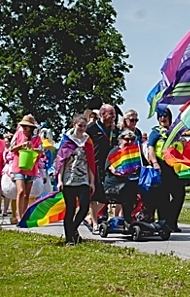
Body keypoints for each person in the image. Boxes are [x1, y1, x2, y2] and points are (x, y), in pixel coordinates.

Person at [55, 114, 96, 246]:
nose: (82, 128)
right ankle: (69, 239)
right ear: (74, 125)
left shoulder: (87, 142)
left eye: (84, 126)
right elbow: (61, 162)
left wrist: (92, 181)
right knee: (70, 209)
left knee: (84, 207)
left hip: (83, 179)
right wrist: (60, 180)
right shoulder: (67, 142)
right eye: (79, 126)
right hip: (69, 180)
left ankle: (72, 229)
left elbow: (90, 163)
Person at [147, 107, 186, 232]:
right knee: (163, 196)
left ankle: (172, 221)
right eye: (160, 116)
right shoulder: (156, 132)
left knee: (179, 194)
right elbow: (150, 148)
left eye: (165, 116)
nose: (163, 118)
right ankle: (164, 223)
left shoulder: (175, 132)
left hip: (175, 167)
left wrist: (183, 143)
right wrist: (154, 163)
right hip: (161, 165)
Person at [85, 104, 118, 233]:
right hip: (94, 165)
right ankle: (94, 223)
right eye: (111, 114)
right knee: (94, 195)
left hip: (108, 166)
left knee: (107, 196)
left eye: (114, 115)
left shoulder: (114, 130)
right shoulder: (91, 128)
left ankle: (89, 217)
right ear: (103, 114)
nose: (113, 117)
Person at [9, 114, 43, 223]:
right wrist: (22, 145)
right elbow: (12, 148)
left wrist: (33, 148)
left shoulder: (37, 138)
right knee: (21, 191)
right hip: (18, 166)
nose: (24, 127)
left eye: (26, 126)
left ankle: (24, 216)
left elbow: (41, 150)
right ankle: (19, 216)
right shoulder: (18, 134)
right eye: (23, 125)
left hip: (31, 167)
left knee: (27, 194)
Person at [103, 130, 141, 224]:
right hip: (115, 184)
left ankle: (136, 217)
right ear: (121, 140)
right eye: (127, 139)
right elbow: (111, 168)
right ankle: (127, 219)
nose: (129, 142)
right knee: (128, 191)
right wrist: (121, 173)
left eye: (132, 140)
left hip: (129, 183)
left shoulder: (134, 153)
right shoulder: (115, 151)